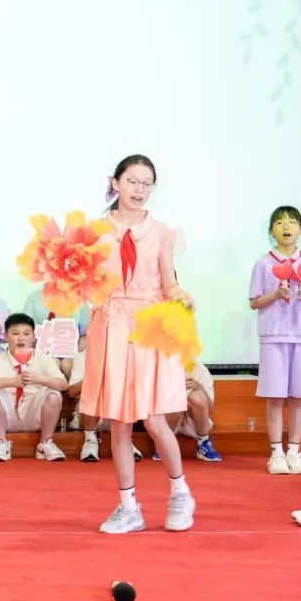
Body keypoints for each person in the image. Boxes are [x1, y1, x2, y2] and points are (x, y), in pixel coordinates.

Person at [79, 155, 196, 534]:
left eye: (146, 183)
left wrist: (181, 296)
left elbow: (169, 282)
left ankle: (180, 493)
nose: (139, 189)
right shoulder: (94, 231)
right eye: (132, 181)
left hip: (147, 328)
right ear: (115, 183)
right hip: (111, 325)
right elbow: (85, 280)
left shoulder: (161, 232)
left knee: (154, 418)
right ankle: (129, 506)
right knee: (119, 422)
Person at [249, 206, 301, 475]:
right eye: (280, 223)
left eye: (292, 222)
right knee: (275, 396)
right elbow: (254, 302)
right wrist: (275, 295)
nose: (286, 227)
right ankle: (276, 453)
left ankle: (293, 452)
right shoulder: (263, 263)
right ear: (272, 231)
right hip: (273, 336)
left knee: (299, 397)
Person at [0, 313, 67, 462]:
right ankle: (1, 443)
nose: (21, 338)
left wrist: (40, 379)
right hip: (7, 417)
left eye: (26, 334)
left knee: (53, 393)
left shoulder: (43, 357)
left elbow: (63, 384)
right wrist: (13, 382)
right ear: (6, 337)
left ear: (33, 337)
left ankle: (45, 444)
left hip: (34, 414)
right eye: (15, 333)